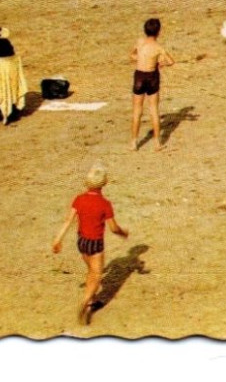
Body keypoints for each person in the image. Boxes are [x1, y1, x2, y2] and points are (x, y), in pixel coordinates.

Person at [51, 164, 129, 326]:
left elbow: (68, 221)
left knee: (91, 271)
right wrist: (124, 233)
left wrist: (58, 239)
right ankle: (86, 302)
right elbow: (113, 228)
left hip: (82, 241)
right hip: (95, 243)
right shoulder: (104, 204)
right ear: (104, 183)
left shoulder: (79, 199)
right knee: (97, 274)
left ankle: (92, 300)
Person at [130, 18, 174, 151]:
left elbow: (132, 55)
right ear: (158, 32)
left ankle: (134, 142)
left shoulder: (139, 42)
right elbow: (171, 61)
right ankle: (157, 142)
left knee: (137, 110)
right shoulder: (158, 48)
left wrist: (140, 59)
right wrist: (159, 64)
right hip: (152, 76)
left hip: (139, 76)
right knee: (154, 110)